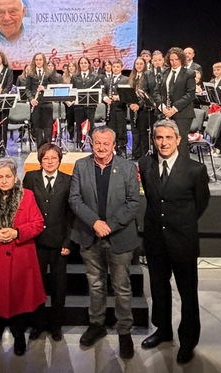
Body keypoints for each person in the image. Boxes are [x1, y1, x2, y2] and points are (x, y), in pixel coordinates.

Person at [138, 120, 210, 364]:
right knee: (159, 288)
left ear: (178, 140)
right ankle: (163, 330)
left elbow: (201, 204)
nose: (164, 142)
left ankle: (188, 341)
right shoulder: (145, 164)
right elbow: (152, 198)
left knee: (187, 294)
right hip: (155, 239)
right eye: (159, 138)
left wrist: (180, 222)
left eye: (169, 137)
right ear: (154, 140)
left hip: (183, 240)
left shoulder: (195, 170)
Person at [69, 127, 142, 359]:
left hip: (119, 236)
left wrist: (109, 224)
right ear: (92, 143)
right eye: (97, 143)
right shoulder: (81, 166)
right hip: (90, 236)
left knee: (122, 288)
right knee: (96, 284)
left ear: (114, 145)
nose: (101, 147)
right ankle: (97, 324)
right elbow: (75, 199)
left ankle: (124, 332)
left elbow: (133, 202)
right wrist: (94, 223)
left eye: (105, 144)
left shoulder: (129, 168)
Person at [0, 158, 46, 356]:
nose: (4, 180)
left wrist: (17, 232)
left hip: (21, 256)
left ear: (16, 177)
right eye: (0, 177)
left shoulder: (28, 196)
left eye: (8, 176)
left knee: (18, 298)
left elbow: (38, 223)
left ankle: (18, 334)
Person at [22, 144, 73, 342]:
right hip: (36, 242)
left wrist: (68, 242)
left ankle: (56, 325)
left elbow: (71, 215)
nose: (50, 161)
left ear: (59, 160)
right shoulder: (30, 178)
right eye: (46, 158)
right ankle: (38, 324)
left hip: (60, 242)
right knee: (38, 285)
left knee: (59, 287)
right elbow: (24, 208)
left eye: (54, 158)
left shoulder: (68, 180)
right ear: (40, 160)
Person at [154, 47, 196, 156]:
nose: (174, 62)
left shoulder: (189, 73)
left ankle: (182, 170)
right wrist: (162, 107)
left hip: (183, 114)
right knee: (165, 143)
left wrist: (174, 108)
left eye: (176, 59)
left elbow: (190, 94)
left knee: (180, 143)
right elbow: (156, 92)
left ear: (181, 59)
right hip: (165, 113)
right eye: (172, 60)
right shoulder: (165, 72)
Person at [27, 52, 61, 147]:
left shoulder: (49, 73)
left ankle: (48, 147)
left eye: (40, 60)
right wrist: (31, 99)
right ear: (34, 61)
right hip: (35, 103)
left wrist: (44, 88)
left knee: (47, 127)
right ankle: (39, 148)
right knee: (37, 127)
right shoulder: (30, 74)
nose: (38, 62)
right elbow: (27, 89)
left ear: (44, 61)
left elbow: (53, 86)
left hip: (47, 103)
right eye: (36, 60)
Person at [71, 56, 100, 149]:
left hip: (90, 106)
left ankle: (92, 146)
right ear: (79, 65)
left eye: (85, 63)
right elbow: (72, 89)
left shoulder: (95, 76)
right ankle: (81, 145)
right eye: (81, 63)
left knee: (91, 127)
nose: (83, 65)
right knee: (79, 126)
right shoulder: (74, 77)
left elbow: (98, 90)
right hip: (78, 106)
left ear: (88, 64)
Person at [129, 57, 154, 160]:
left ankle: (144, 155)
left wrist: (139, 105)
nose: (138, 66)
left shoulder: (147, 77)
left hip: (143, 109)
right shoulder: (132, 77)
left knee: (143, 133)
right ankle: (135, 154)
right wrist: (130, 104)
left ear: (144, 65)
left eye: (141, 64)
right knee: (135, 132)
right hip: (132, 108)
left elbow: (148, 94)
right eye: (137, 64)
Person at [104, 60, 129, 156]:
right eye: (114, 66)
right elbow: (103, 91)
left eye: (117, 67)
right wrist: (105, 98)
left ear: (121, 68)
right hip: (110, 110)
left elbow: (127, 94)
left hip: (120, 109)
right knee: (111, 130)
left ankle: (122, 151)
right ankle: (111, 150)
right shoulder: (108, 79)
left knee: (121, 131)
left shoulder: (125, 79)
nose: (115, 68)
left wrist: (119, 97)